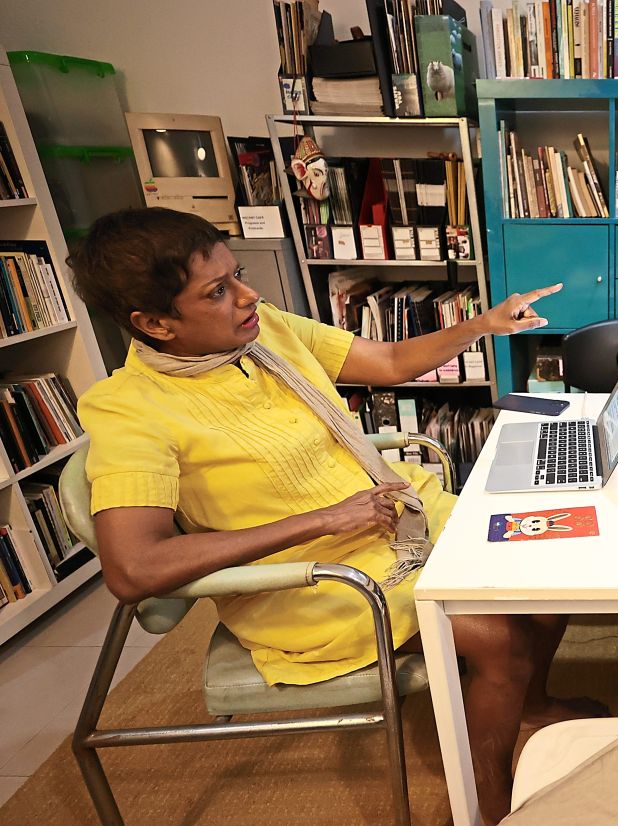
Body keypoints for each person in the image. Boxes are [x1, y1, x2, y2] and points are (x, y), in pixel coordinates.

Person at [72, 207, 588, 825]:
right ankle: (483, 801)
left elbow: (391, 364)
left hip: (399, 517)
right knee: (497, 634)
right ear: (154, 323)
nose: (247, 294)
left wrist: (483, 323)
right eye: (218, 291)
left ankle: (525, 707)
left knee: (551, 572)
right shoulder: (130, 411)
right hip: (311, 577)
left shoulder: (265, 333)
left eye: (236, 275)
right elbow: (134, 567)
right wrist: (322, 520)